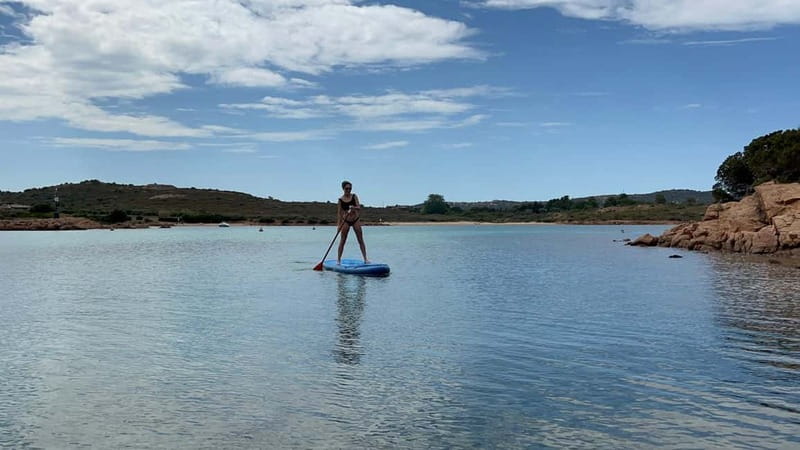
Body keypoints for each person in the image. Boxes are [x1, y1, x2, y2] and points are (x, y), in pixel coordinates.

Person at [337, 180, 369, 264]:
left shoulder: (354, 196)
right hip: (346, 221)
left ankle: (365, 259)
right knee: (342, 240)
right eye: (347, 188)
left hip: (355, 220)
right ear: (343, 189)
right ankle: (338, 260)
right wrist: (339, 226)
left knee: (360, 240)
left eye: (350, 188)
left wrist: (354, 208)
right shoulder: (340, 200)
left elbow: (359, 207)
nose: (348, 190)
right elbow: (339, 213)